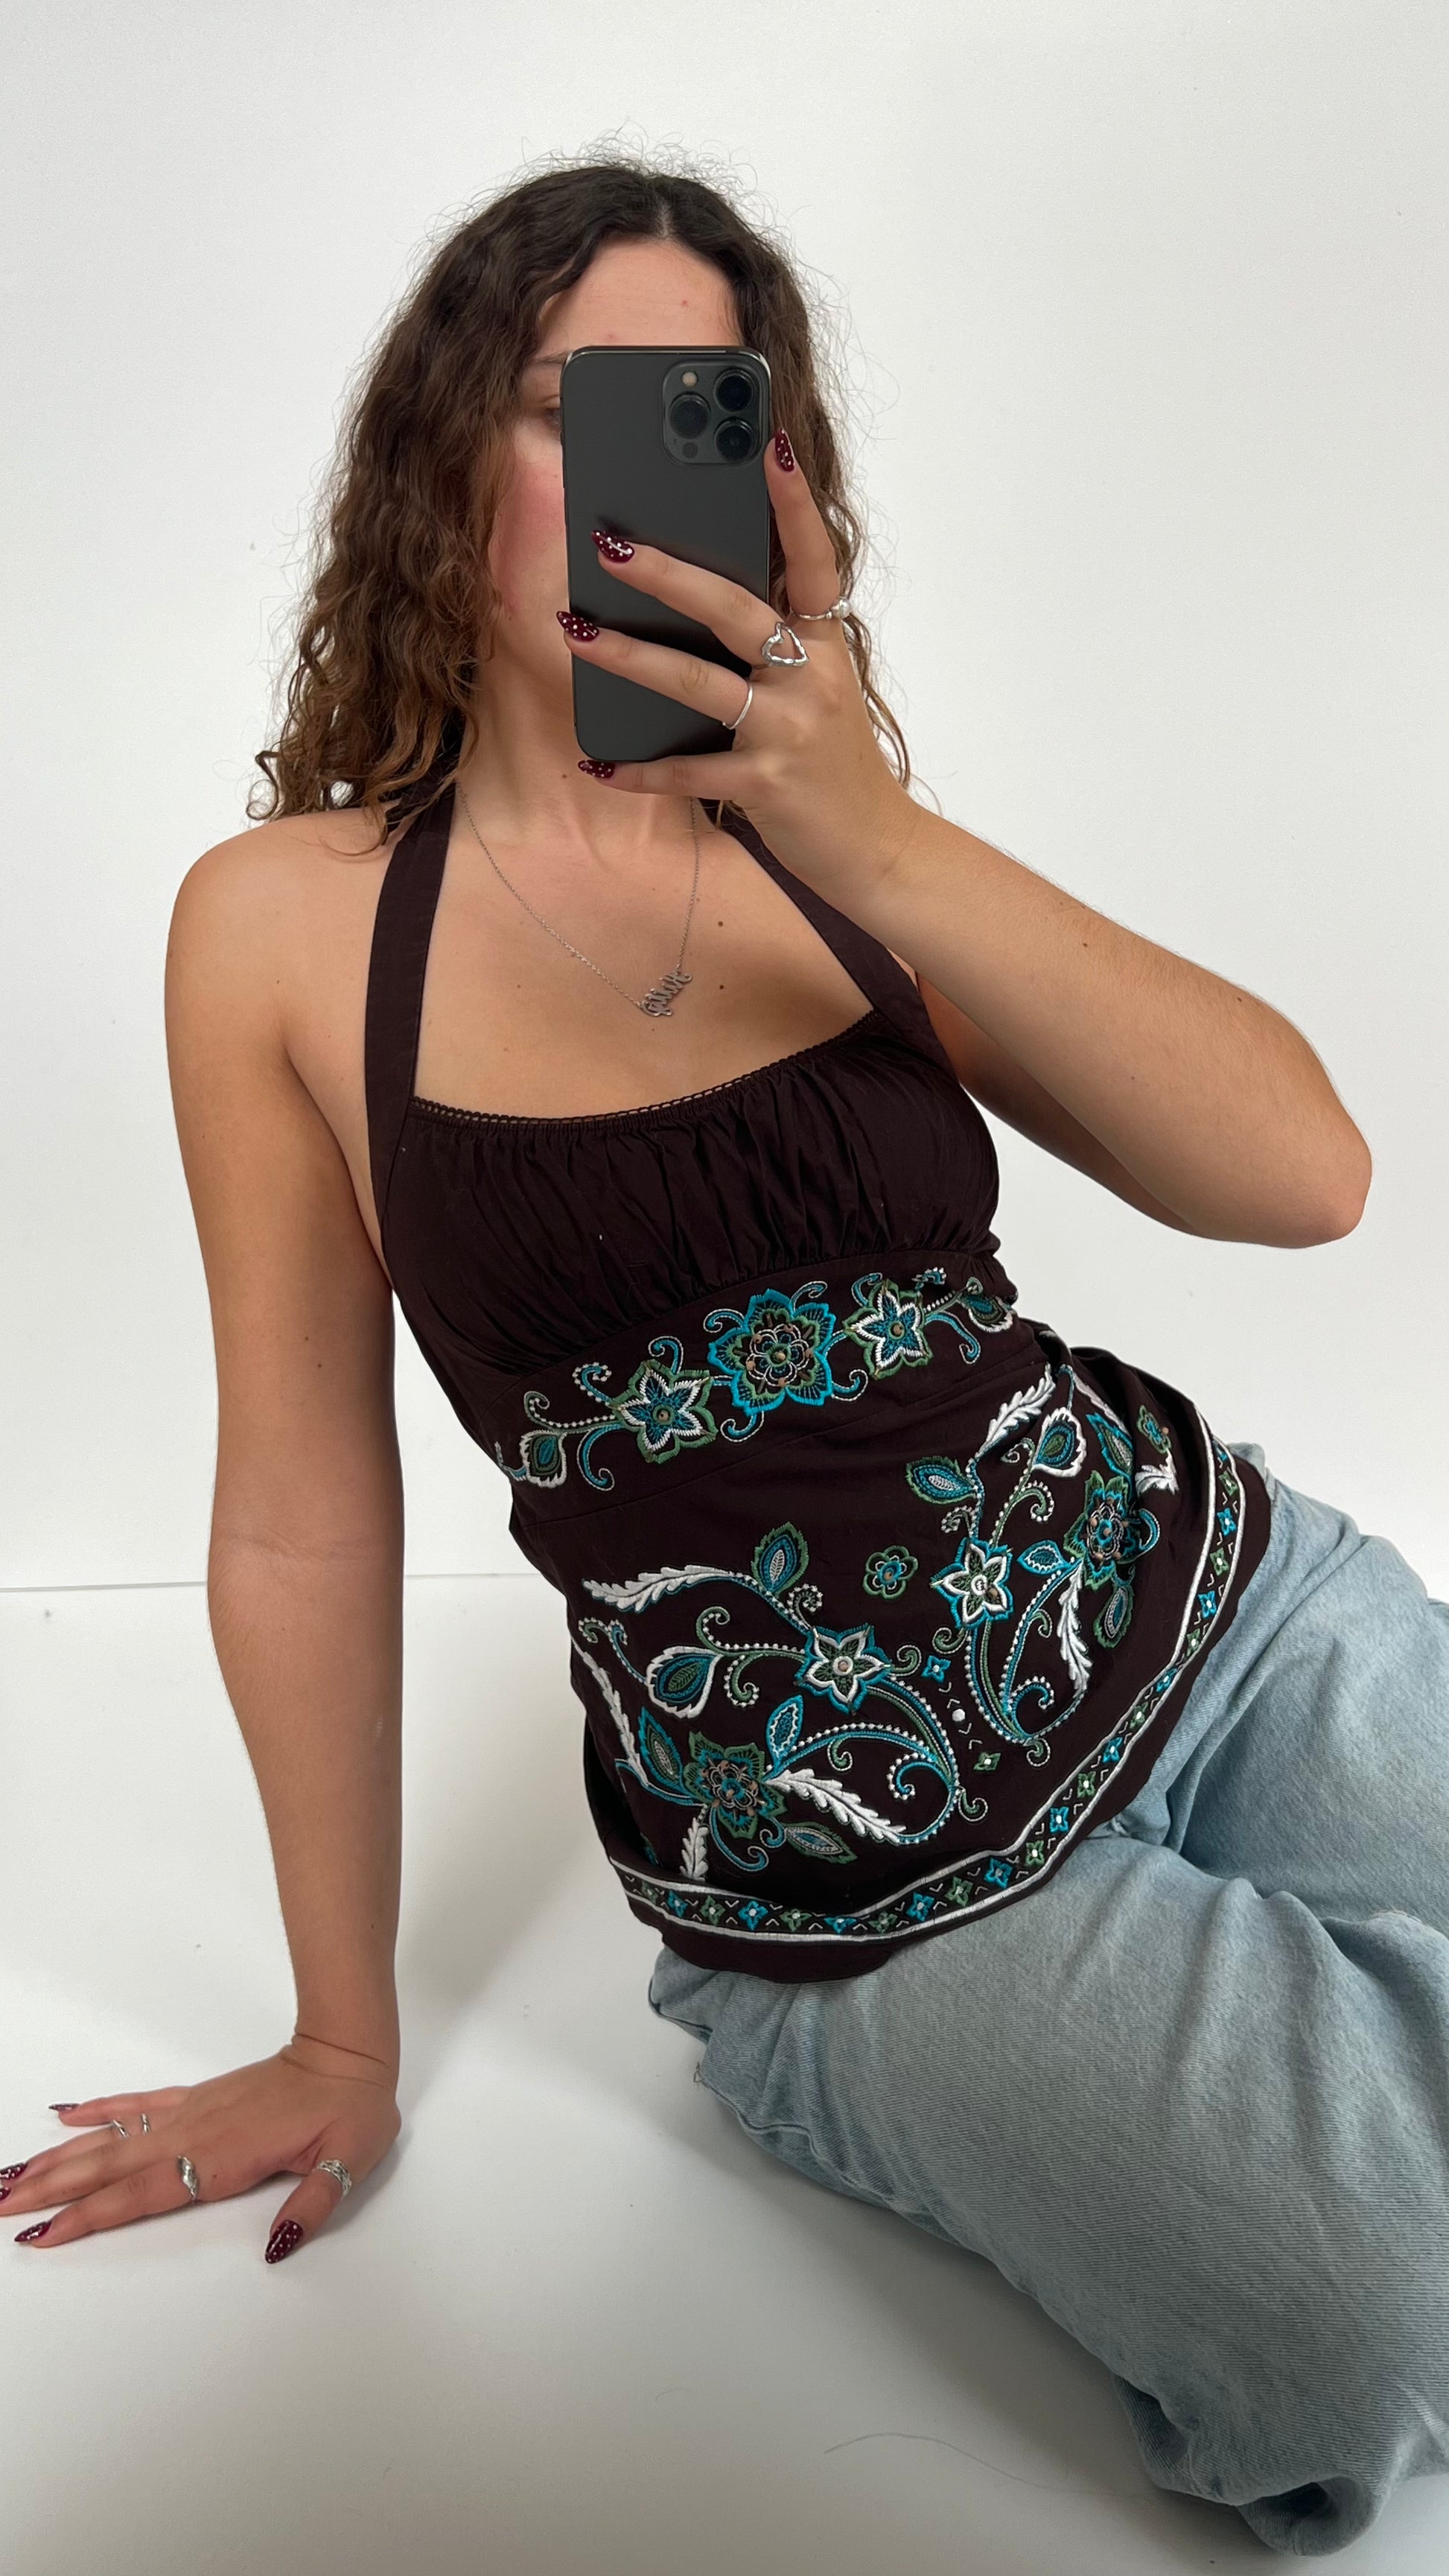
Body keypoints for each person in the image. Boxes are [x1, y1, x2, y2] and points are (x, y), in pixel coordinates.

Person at [5, 158, 1445, 2557]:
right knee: (1368, 2313)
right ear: (444, 458)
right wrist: (344, 2032)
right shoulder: (276, 930)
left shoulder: (844, 849)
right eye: (579, 404)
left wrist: (878, 836)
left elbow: (1304, 1176)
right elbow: (300, 1506)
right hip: (857, 1879)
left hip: (1210, 1608)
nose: (647, 477)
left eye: (706, 414)